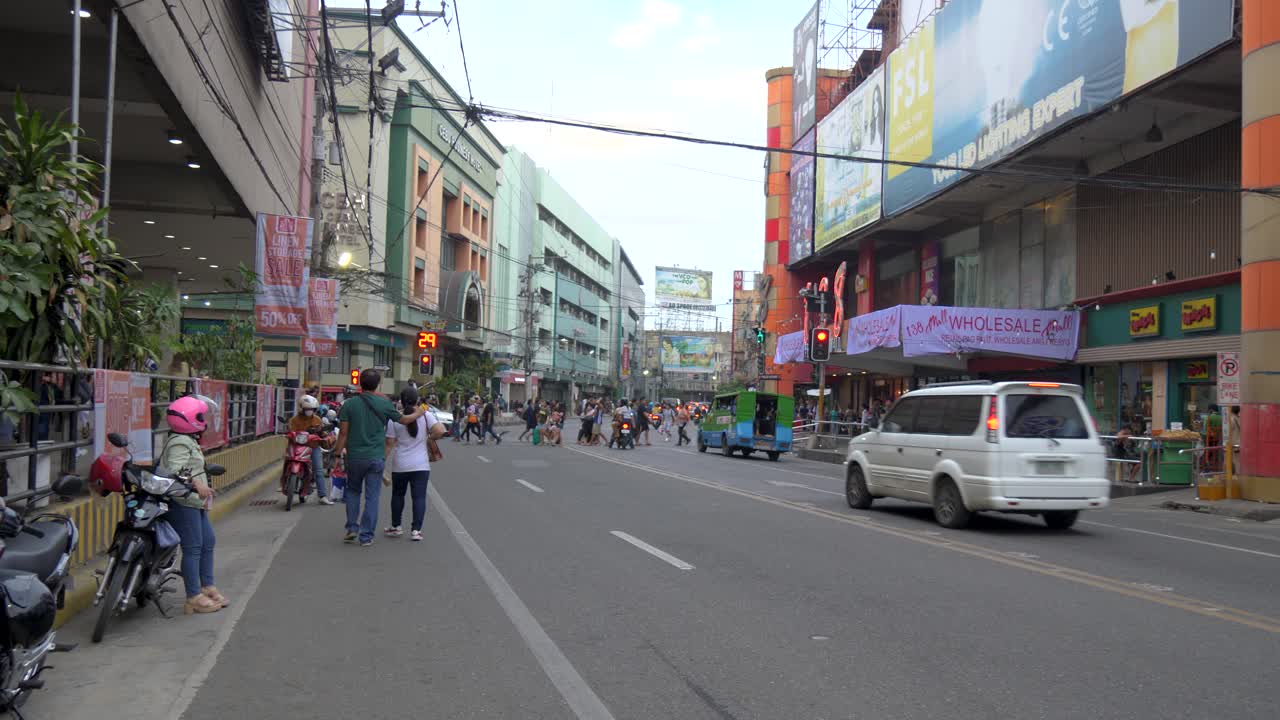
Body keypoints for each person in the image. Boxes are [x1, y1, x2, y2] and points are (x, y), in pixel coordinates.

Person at [332, 369, 426, 546]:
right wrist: (419, 413)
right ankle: (366, 536)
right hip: (375, 457)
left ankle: (352, 528)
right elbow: (405, 420)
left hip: (354, 457)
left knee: (353, 492)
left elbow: (343, 434)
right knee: (372, 496)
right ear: (378, 384)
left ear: (360, 383)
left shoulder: (349, 405)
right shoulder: (384, 404)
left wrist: (337, 454)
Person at [158, 395, 223, 615]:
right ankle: (193, 596)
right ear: (189, 418)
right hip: (182, 501)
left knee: (208, 541)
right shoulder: (179, 442)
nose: (202, 419)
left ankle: (207, 586)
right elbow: (174, 471)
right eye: (199, 416)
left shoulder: (187, 440)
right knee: (193, 547)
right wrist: (196, 483)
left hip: (194, 501)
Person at [384, 387, 446, 541]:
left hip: (400, 464)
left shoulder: (395, 419)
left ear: (401, 401)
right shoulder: (426, 416)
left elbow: (389, 443)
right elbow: (440, 430)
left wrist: (382, 462)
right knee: (419, 497)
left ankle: (396, 527)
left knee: (398, 495)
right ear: (417, 400)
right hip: (421, 465)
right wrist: (429, 438)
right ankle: (416, 531)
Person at [287, 394, 334, 505]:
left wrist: (324, 434)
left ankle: (322, 496)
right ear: (302, 408)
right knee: (288, 461)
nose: (309, 411)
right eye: (307, 409)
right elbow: (291, 431)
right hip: (298, 447)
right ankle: (286, 482)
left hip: (313, 446)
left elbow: (322, 432)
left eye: (311, 409)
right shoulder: (294, 420)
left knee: (318, 470)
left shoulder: (317, 419)